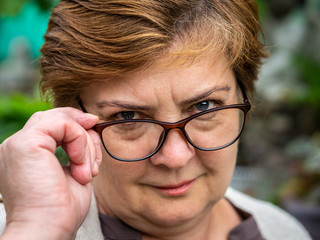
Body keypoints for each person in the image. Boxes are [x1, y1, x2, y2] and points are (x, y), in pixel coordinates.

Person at [0, 0, 311, 239]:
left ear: (246, 98)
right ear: (70, 124)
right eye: (128, 116)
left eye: (204, 106)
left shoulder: (282, 231)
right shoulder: (19, 229)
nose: (174, 157)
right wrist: (38, 226)